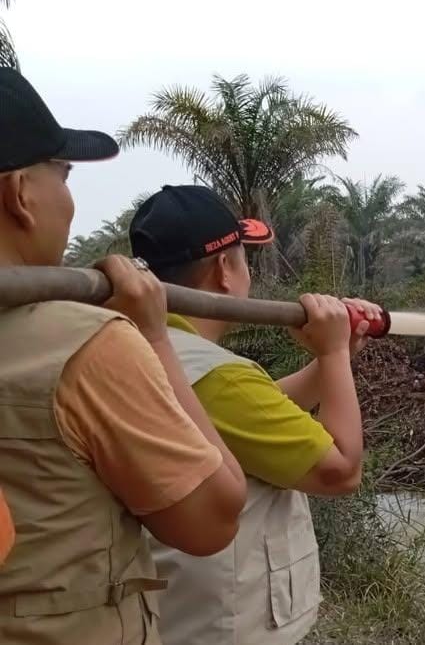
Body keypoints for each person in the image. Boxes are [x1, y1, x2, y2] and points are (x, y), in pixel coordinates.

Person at [0, 68, 247, 644]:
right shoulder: (87, 345)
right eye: (62, 174)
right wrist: (153, 334)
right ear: (19, 195)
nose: (69, 199)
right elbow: (214, 518)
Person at [129, 184, 383, 645]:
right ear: (225, 269)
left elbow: (253, 419)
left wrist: (336, 356)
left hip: (180, 613)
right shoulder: (218, 376)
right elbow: (341, 471)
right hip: (229, 622)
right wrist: (332, 355)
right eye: (246, 257)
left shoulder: (154, 348)